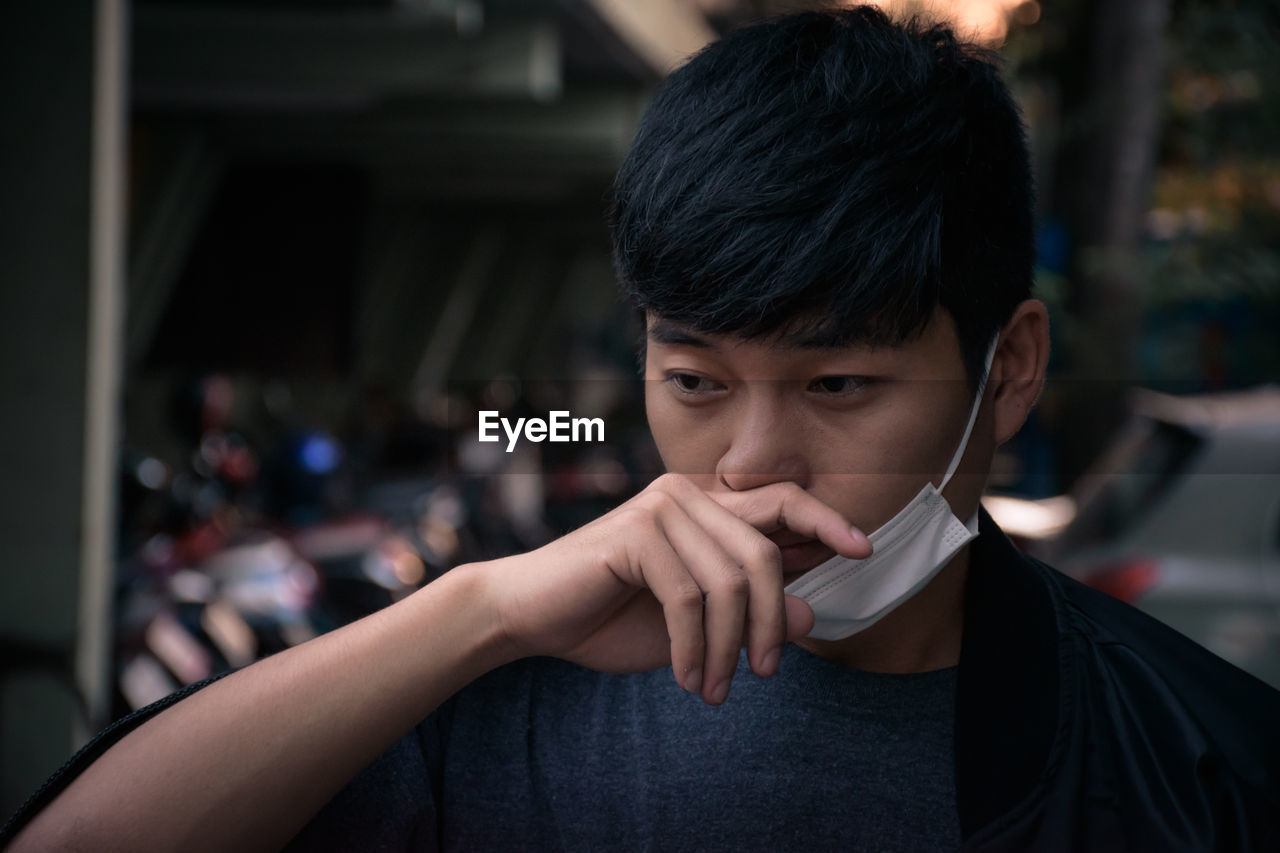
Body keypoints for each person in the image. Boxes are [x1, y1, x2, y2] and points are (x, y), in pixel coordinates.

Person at [5, 6, 1279, 851]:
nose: (747, 463)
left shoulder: (1194, 764)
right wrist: (475, 614)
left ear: (1008, 370)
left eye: (836, 385)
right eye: (695, 381)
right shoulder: (507, 696)